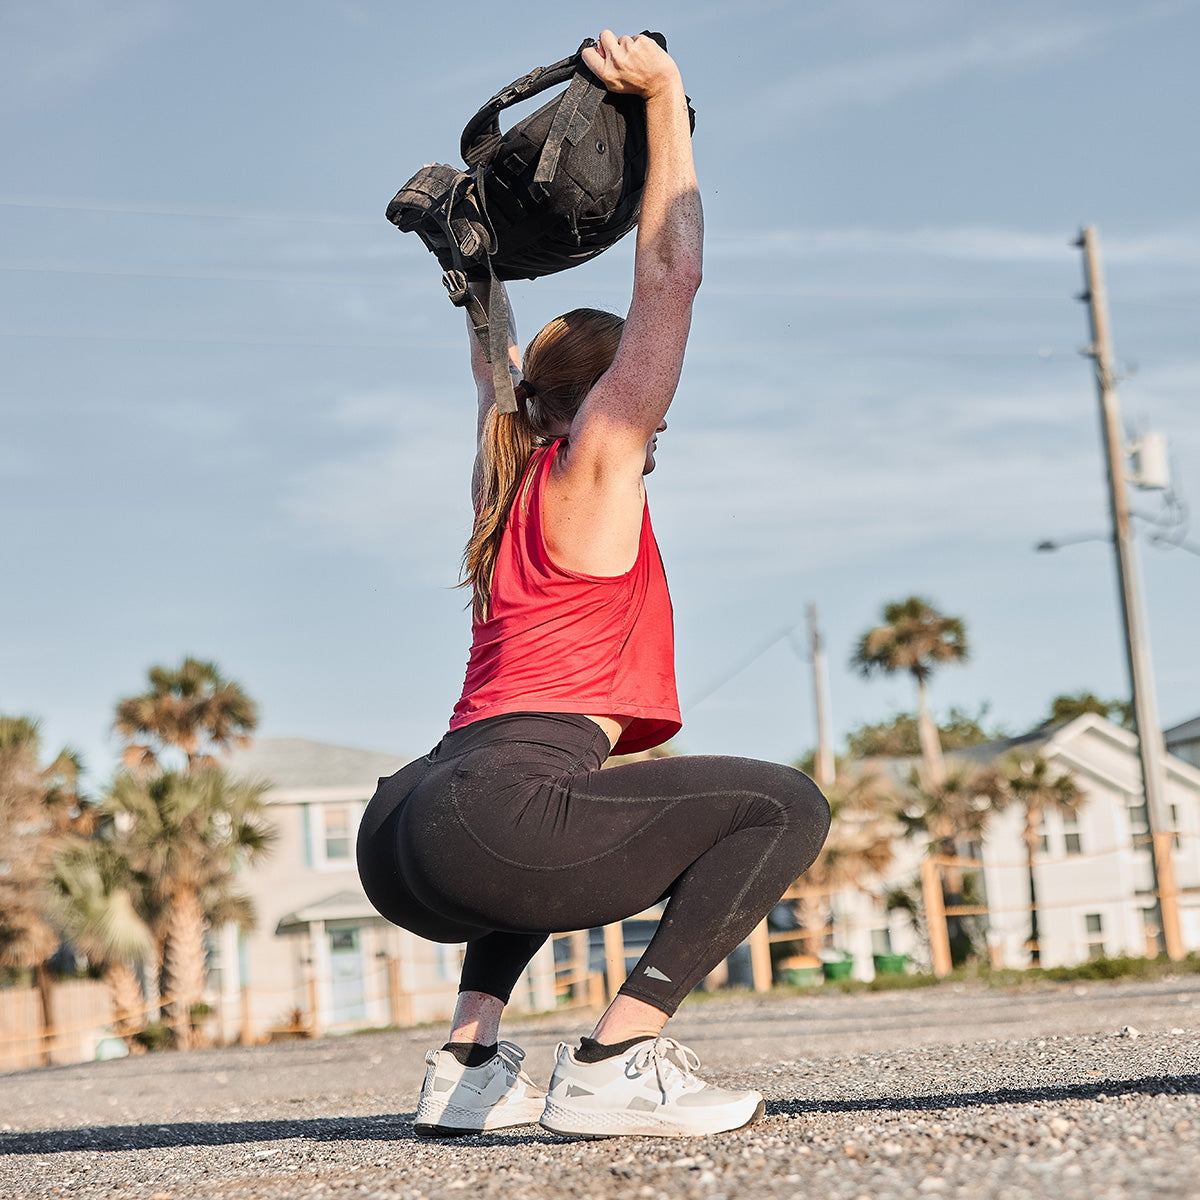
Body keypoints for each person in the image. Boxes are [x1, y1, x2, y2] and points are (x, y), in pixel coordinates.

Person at [357, 30, 830, 1140]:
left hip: (409, 828)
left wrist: (470, 266)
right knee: (785, 804)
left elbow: (493, 362)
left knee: (553, 813)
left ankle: (468, 1063)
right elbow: (672, 276)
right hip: (489, 813)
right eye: (645, 402)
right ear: (614, 397)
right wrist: (664, 98)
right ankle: (617, 1059)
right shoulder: (596, 462)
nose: (657, 428)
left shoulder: (504, 469)